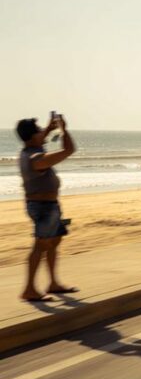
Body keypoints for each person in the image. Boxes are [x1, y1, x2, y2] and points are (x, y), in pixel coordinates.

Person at [17, 115, 77, 302]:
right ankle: (29, 290)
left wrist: (51, 129)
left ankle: (53, 283)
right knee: (41, 245)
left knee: (53, 242)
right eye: (39, 130)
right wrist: (64, 130)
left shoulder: (31, 148)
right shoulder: (36, 158)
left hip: (50, 205)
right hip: (43, 208)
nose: (42, 131)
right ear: (32, 136)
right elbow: (69, 150)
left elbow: (41, 137)